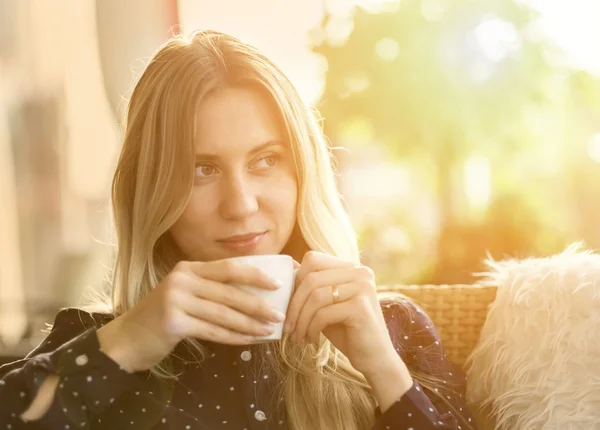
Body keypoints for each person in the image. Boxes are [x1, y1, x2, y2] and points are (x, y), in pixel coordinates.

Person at [0, 30, 476, 430]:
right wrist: (122, 346)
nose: (241, 205)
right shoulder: (95, 342)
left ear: (302, 173)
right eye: (201, 170)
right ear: (151, 190)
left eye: (265, 161)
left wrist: (385, 373)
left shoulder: (391, 329)